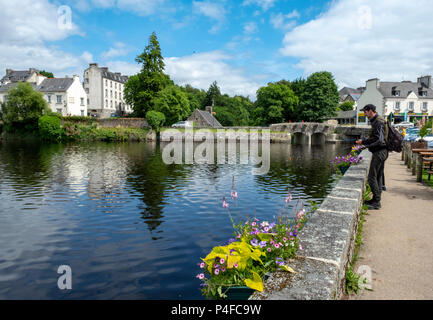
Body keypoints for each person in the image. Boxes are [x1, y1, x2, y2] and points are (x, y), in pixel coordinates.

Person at [356, 104, 389, 210]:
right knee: (378, 176)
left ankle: (377, 202)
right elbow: (375, 138)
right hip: (382, 151)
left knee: (371, 177)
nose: (364, 114)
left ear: (370, 111)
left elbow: (379, 140)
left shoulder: (378, 122)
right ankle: (376, 199)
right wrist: (365, 142)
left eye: (365, 112)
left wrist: (366, 145)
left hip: (380, 152)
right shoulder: (377, 121)